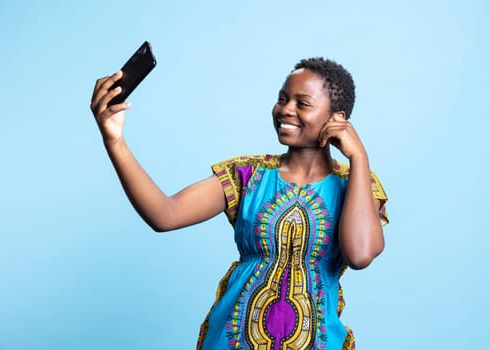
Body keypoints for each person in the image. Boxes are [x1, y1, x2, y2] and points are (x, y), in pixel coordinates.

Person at [90, 57, 388, 349]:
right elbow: (164, 215)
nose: (285, 110)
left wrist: (359, 158)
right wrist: (114, 140)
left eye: (303, 103)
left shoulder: (357, 184)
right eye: (282, 99)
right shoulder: (247, 175)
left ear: (337, 119)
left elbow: (360, 254)